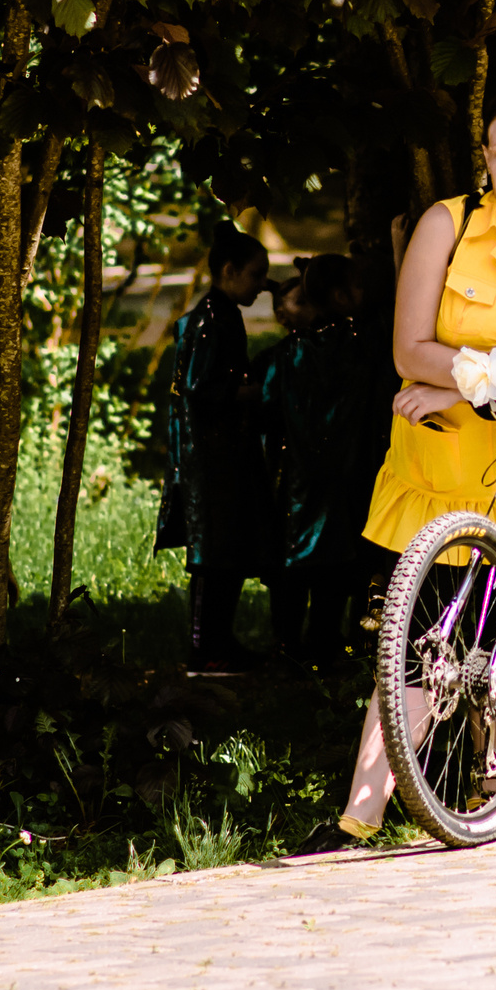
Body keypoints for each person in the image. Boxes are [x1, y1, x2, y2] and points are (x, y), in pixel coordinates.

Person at [299, 89, 496, 852]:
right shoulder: (444, 225)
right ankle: (358, 819)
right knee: (416, 654)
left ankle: (491, 797)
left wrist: (459, 383)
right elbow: (407, 348)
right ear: (484, 158)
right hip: (438, 471)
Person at [154, 225, 276, 675]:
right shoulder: (210, 319)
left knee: (230, 552)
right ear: (229, 271)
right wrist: (248, 394)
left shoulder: (223, 314)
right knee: (213, 556)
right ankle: (205, 648)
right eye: (256, 274)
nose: (262, 285)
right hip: (209, 459)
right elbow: (198, 389)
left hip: (226, 454)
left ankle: (221, 642)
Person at [258, 253, 381, 660]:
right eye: (357, 285)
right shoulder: (366, 346)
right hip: (351, 477)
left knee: (295, 563)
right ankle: (327, 646)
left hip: (297, 480)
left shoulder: (287, 353)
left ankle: (287, 646)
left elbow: (266, 408)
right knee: (341, 563)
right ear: (341, 296)